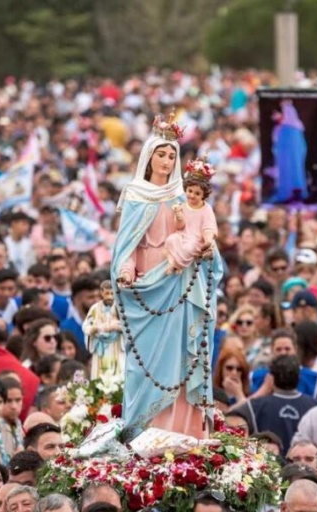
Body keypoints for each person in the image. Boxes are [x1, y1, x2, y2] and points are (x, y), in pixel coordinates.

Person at [111, 115, 222, 440]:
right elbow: (126, 243)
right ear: (149, 157)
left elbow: (201, 230)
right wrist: (126, 268)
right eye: (161, 154)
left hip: (179, 283)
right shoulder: (135, 193)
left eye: (172, 155)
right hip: (146, 284)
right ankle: (145, 431)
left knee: (181, 357)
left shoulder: (182, 194)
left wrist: (205, 250)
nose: (166, 161)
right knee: (143, 362)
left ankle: (182, 433)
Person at [230, 355, 317, 454]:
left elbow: (227, 416)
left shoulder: (254, 406)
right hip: (303, 466)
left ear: (271, 378)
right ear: (299, 377)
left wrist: (259, 392)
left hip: (268, 466)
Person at [164, 157, 218, 275]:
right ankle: (173, 262)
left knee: (189, 248)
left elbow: (208, 227)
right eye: (190, 191)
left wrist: (208, 241)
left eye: (197, 193)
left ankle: (176, 265)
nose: (192, 195)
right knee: (171, 240)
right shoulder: (182, 206)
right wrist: (179, 217)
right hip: (182, 236)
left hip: (196, 240)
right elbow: (179, 227)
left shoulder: (206, 209)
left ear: (204, 195)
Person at [82, 281, 124, 379]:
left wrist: (115, 326)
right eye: (107, 293)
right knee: (100, 375)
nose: (109, 296)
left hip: (116, 346)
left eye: (112, 293)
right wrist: (95, 328)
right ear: (101, 293)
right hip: (101, 347)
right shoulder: (95, 308)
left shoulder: (121, 308)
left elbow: (129, 326)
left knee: (118, 373)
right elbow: (86, 326)